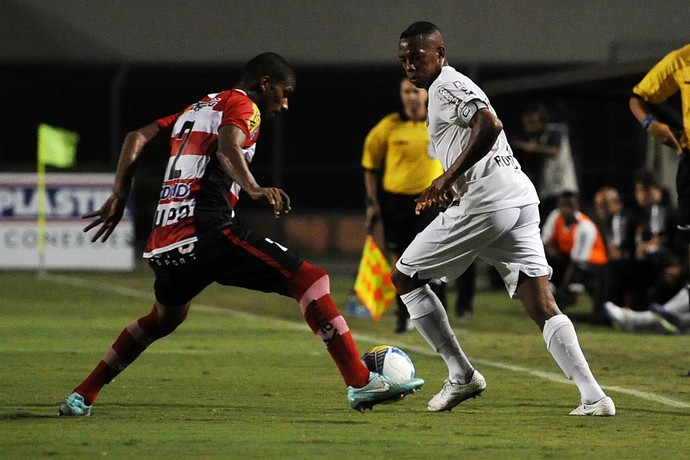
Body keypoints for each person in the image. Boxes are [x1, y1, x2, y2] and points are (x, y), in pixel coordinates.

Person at [57, 52, 423, 416]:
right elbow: (230, 144)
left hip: (165, 239)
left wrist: (120, 196)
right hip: (206, 228)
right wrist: (253, 187)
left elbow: (136, 136)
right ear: (265, 84)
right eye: (284, 92)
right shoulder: (245, 106)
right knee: (311, 281)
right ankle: (361, 382)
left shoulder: (198, 107)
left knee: (163, 319)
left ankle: (83, 394)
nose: (286, 103)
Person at [394, 21, 614, 416]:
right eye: (404, 59)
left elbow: (490, 125)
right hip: (517, 197)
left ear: (440, 54)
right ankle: (595, 396)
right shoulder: (447, 89)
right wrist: (448, 180)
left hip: (488, 202)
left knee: (405, 276)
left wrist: (448, 177)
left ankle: (461, 375)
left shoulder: (446, 86)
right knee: (541, 302)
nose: (410, 66)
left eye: (417, 56)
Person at [361, 76, 476, 332]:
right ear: (401, 95)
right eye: (406, 91)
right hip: (395, 203)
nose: (411, 96)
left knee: (433, 256)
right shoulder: (389, 126)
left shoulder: (437, 123)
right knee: (400, 259)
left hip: (430, 201)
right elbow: (370, 166)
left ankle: (439, 315)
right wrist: (372, 201)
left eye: (415, 91)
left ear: (425, 94)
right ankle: (404, 316)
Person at [541, 191, 609, 324]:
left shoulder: (585, 227)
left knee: (574, 272)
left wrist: (564, 287)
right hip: (568, 258)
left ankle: (561, 299)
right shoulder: (555, 217)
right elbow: (546, 241)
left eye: (570, 206)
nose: (566, 209)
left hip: (594, 262)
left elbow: (577, 261)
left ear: (576, 207)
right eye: (563, 205)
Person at [512, 102, 579, 220]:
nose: (529, 127)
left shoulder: (555, 131)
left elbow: (554, 151)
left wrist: (530, 147)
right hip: (548, 188)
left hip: (563, 187)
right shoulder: (536, 138)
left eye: (532, 123)